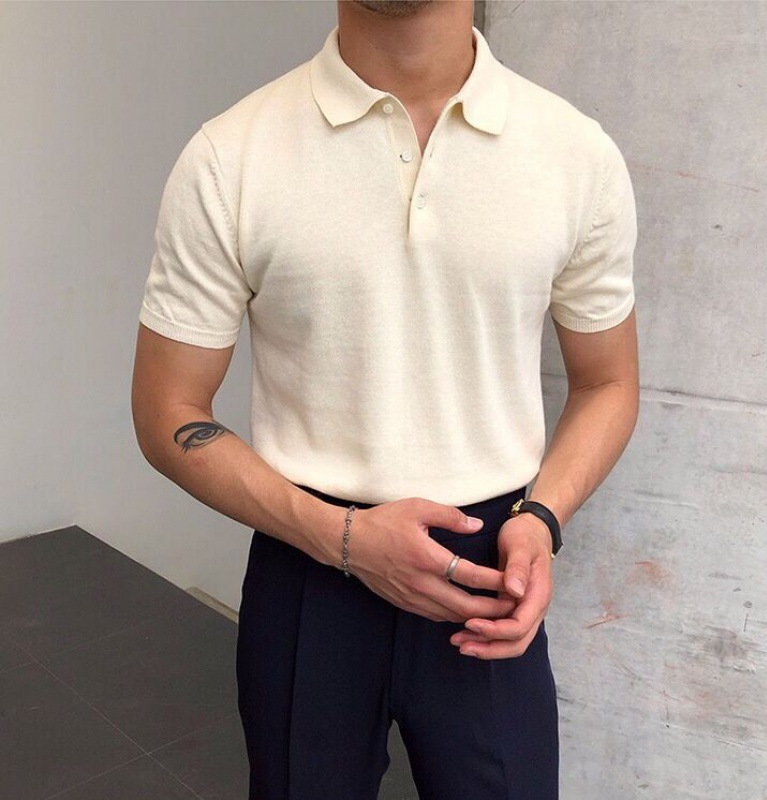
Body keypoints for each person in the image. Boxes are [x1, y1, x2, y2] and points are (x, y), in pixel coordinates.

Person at [131, 1, 640, 798]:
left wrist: (542, 519)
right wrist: (340, 538)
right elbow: (168, 411)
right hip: (309, 568)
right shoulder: (231, 156)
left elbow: (609, 381)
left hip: (491, 570)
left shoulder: (575, 154)